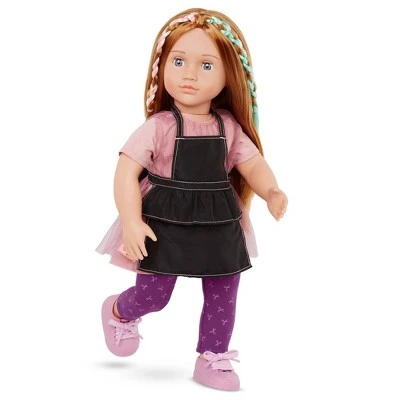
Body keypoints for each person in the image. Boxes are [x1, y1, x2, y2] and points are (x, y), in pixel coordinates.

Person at [96, 7, 288, 391]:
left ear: (228, 76)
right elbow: (126, 172)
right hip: (164, 220)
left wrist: (271, 190)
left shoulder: (228, 127)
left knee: (223, 292)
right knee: (154, 294)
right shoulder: (159, 127)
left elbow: (252, 164)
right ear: (162, 66)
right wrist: (132, 220)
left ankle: (212, 356)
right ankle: (119, 310)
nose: (189, 74)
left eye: (206, 65)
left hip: (218, 221)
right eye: (179, 61)